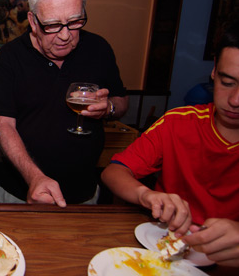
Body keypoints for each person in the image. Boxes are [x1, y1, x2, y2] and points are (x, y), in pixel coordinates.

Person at [0, 0, 128, 206]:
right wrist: (35, 177)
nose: (65, 35)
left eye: (74, 21)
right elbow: (3, 125)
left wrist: (109, 109)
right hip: (18, 194)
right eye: (52, 25)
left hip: (84, 194)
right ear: (32, 21)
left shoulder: (99, 49)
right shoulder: (10, 58)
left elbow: (121, 100)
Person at [101, 21, 239, 238]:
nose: (235, 100)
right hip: (166, 244)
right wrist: (144, 194)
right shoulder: (178, 123)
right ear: (214, 70)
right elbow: (113, 172)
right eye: (228, 82)